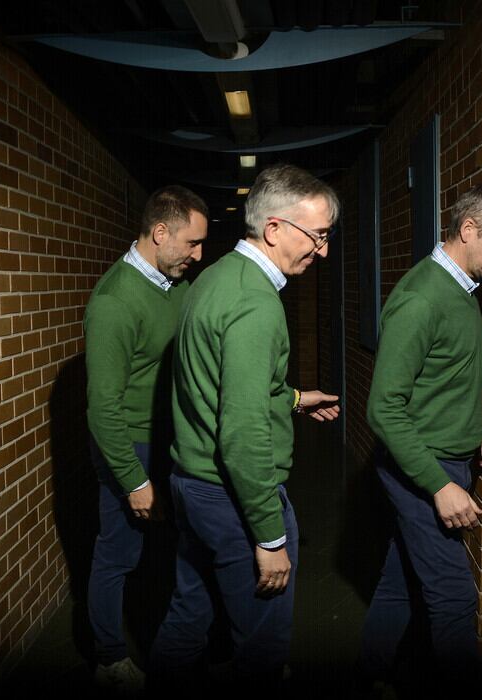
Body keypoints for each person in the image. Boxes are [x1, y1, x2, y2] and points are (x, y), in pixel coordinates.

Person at [148, 164, 341, 693]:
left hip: (191, 485)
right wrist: (270, 536)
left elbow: (216, 384)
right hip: (233, 498)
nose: (322, 251)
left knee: (190, 612)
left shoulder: (216, 277)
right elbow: (242, 432)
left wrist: (295, 398)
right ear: (275, 229)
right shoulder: (256, 303)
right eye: (317, 236)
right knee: (261, 643)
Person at [358, 183, 482, 692]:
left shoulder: (459, 292)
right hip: (420, 470)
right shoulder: (421, 298)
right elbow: (383, 408)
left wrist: (467, 441)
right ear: (468, 229)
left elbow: (437, 388)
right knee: (454, 597)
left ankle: (366, 681)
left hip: (441, 458)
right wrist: (438, 484)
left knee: (399, 584)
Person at [84, 185, 209, 693]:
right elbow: (103, 410)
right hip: (128, 445)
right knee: (118, 553)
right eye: (192, 243)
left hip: (168, 440)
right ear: (160, 234)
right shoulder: (114, 302)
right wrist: (133, 481)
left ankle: (177, 642)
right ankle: (109, 658)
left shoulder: (171, 284)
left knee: (176, 545)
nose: (199, 255)